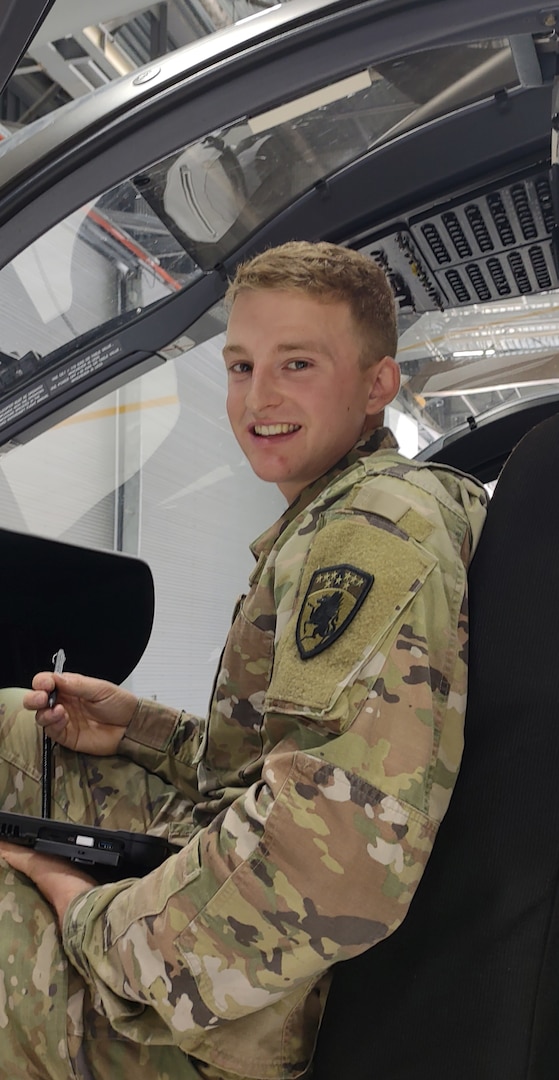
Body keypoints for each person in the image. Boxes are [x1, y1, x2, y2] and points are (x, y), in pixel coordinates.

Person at [0, 241, 486, 1080]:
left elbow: (333, 863)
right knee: (11, 719)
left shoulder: (367, 533)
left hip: (237, 1025)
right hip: (252, 942)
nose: (258, 398)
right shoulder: (346, 510)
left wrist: (85, 913)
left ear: (378, 385)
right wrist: (138, 730)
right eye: (239, 365)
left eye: (297, 364)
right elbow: (288, 754)